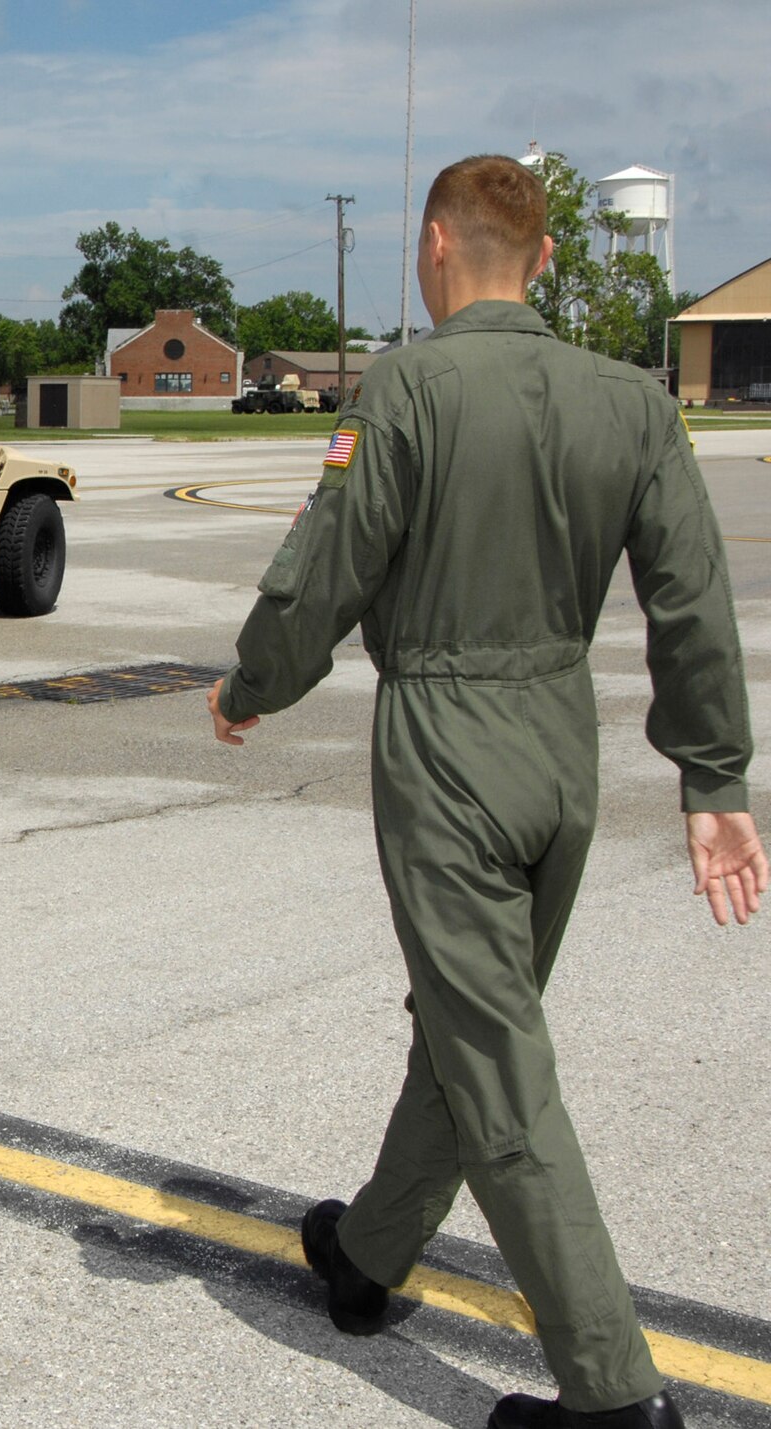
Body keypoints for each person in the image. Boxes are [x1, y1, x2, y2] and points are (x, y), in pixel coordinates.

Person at [207, 154, 764, 1429]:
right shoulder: (632, 401)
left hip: (446, 739)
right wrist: (711, 773)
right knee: (469, 1025)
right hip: (560, 745)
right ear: (551, 260)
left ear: (433, 247)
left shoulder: (404, 386)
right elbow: (688, 600)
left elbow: (323, 569)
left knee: (498, 1066)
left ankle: (612, 1394)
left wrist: (252, 684)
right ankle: (369, 1253)